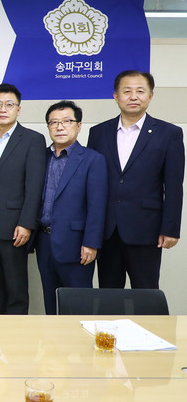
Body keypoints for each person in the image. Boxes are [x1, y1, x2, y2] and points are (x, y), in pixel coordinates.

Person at [87, 70, 185, 289]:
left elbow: (174, 186)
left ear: (150, 96)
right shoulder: (98, 132)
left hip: (146, 229)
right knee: (109, 294)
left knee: (146, 293)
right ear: (116, 96)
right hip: (107, 230)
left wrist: (170, 228)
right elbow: (92, 183)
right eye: (127, 91)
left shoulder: (169, 133)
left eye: (140, 91)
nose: (133, 97)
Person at [0, 83, 46, 314]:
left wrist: (26, 223)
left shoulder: (33, 139)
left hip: (15, 226)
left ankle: (17, 334)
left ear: (18, 109)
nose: (3, 109)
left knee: (16, 289)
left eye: (9, 104)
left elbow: (34, 186)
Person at [32, 101, 107, 314]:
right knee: (50, 304)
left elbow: (97, 205)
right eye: (54, 122)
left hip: (77, 245)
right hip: (44, 242)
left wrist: (91, 243)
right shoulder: (40, 156)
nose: (60, 127)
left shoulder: (92, 159)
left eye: (67, 121)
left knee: (78, 306)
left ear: (79, 125)